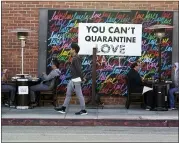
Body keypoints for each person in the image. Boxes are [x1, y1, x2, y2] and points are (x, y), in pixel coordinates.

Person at [55, 43, 88, 115]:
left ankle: (83, 110)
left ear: (74, 50)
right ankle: (63, 108)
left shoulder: (76, 58)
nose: (70, 50)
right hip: (73, 79)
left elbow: (79, 69)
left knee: (79, 95)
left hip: (76, 79)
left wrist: (82, 78)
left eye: (71, 49)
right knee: (68, 94)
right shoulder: (74, 58)